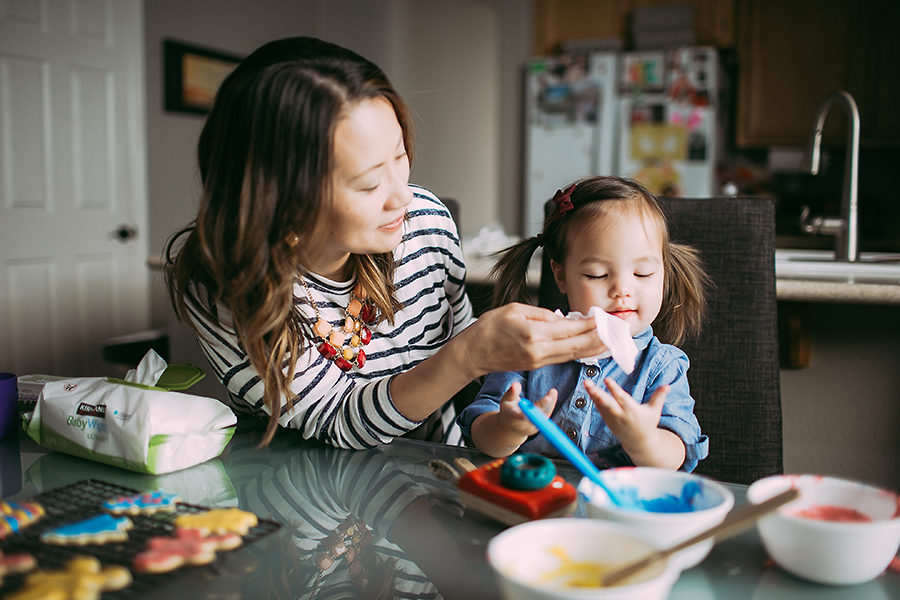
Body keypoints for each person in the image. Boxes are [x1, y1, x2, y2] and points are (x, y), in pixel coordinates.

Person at [165, 37, 606, 449]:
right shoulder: (226, 282)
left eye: (400, 156)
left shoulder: (424, 222)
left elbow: (458, 347)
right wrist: (468, 355)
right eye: (369, 183)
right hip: (299, 493)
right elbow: (335, 419)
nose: (404, 196)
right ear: (280, 200)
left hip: (426, 470)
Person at [458, 176, 710, 472]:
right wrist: (507, 428)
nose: (622, 290)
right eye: (597, 275)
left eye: (643, 274)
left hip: (617, 506)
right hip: (533, 498)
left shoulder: (662, 366)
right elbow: (481, 436)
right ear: (561, 275)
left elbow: (677, 454)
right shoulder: (530, 347)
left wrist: (645, 441)